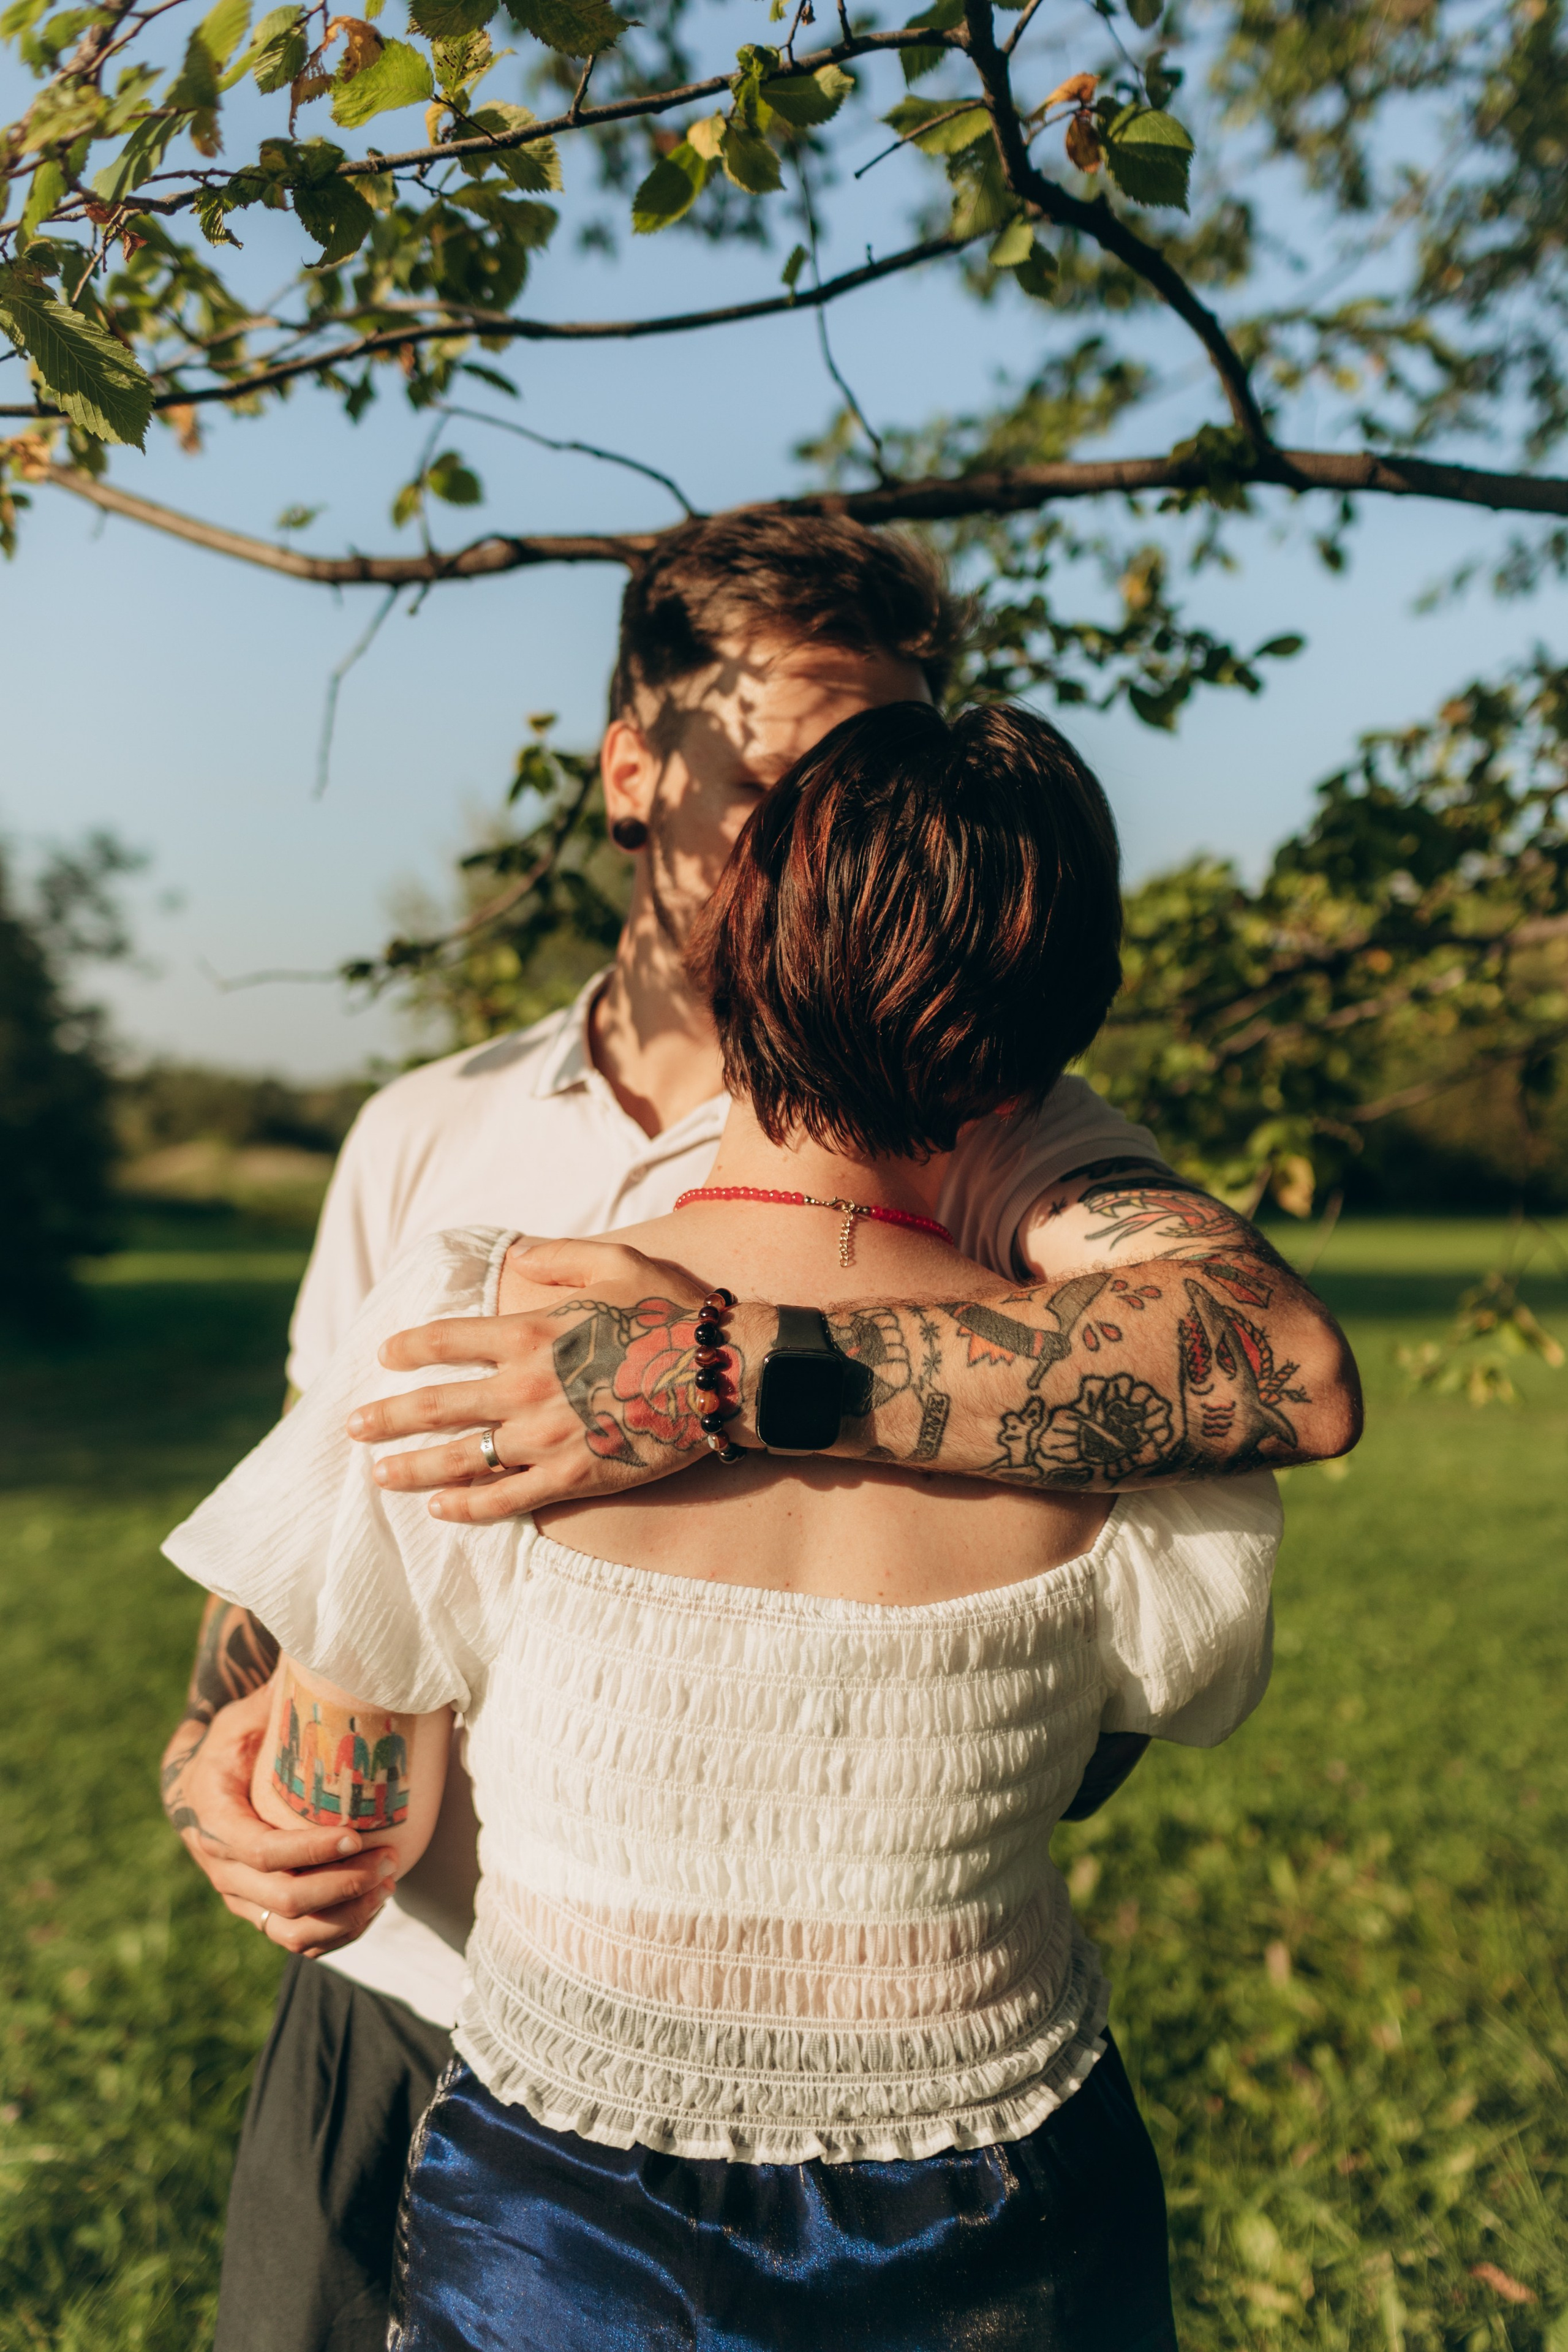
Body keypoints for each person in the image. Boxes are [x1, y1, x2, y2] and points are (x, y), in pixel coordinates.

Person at [158, 515, 1360, 2352]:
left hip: (605, 2170)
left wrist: (727, 1373)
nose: (849, 825)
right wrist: (210, 1767)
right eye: (800, 778)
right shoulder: (428, 1131)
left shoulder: (1035, 1157)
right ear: (635, 770)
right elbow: (308, 1580)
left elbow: (1275, 1363)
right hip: (431, 2016)